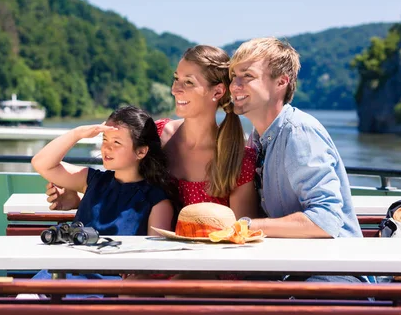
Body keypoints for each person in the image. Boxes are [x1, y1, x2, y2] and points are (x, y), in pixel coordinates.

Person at [46, 45, 259, 220]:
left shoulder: (238, 158)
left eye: (188, 82)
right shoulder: (155, 134)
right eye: (176, 78)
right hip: (145, 260)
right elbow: (123, 189)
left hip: (205, 268)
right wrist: (82, 199)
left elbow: (241, 236)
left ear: (218, 91)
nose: (175, 89)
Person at [229, 37, 363, 282]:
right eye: (233, 77)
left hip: (334, 272)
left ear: (281, 82)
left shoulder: (298, 132)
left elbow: (326, 221)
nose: (234, 86)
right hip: (290, 267)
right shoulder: (256, 140)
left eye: (246, 76)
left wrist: (245, 226)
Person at [29, 105, 176, 283]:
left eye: (116, 142)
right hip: (65, 275)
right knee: (23, 300)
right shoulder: (93, 180)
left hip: (107, 288)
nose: (106, 148)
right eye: (104, 139)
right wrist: (77, 134)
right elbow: (41, 163)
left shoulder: (157, 201)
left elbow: (155, 260)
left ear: (141, 151)